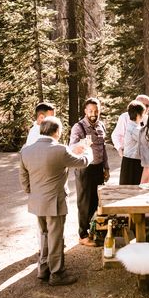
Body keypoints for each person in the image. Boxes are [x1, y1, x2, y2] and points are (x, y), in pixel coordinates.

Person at [19, 117, 93, 286]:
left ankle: (43, 269)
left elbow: (24, 180)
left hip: (37, 201)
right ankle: (57, 273)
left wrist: (33, 193)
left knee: (44, 235)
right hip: (55, 201)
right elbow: (83, 162)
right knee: (56, 237)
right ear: (57, 131)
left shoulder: (26, 151)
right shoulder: (60, 150)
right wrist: (88, 149)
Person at [69, 97, 110, 247]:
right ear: (85, 111)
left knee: (96, 201)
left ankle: (94, 231)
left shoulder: (101, 126)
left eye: (96, 110)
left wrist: (106, 167)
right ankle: (83, 234)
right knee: (84, 202)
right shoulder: (78, 127)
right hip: (84, 168)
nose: (94, 113)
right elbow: (71, 146)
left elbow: (103, 148)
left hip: (98, 168)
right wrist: (83, 143)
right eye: (91, 111)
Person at [119, 100, 145, 185]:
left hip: (132, 160)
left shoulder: (134, 126)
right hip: (132, 163)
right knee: (131, 187)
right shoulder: (134, 129)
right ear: (138, 114)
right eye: (143, 113)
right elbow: (146, 141)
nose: (143, 116)